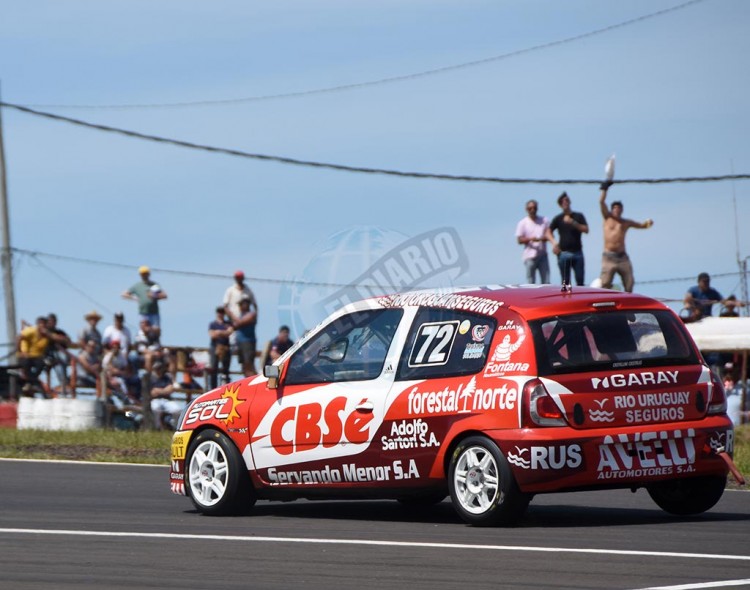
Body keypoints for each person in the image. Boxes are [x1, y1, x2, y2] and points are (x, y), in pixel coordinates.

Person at [598, 181, 653, 292]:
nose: (617, 210)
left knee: (629, 282)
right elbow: (601, 201)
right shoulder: (607, 218)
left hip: (622, 257)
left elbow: (640, 225)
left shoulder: (625, 222)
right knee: (605, 283)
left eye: (619, 208)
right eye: (615, 208)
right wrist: (604, 189)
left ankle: (628, 299)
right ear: (612, 209)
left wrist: (647, 224)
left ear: (622, 210)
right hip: (608, 257)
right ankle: (606, 299)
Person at [547, 192, 589, 286]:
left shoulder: (578, 216)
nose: (565, 202)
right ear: (560, 205)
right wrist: (554, 243)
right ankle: (566, 296)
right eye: (562, 202)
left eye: (566, 200)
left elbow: (586, 229)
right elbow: (548, 232)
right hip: (564, 254)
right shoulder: (558, 218)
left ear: (569, 201)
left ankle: (580, 295)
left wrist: (573, 222)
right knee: (565, 282)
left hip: (577, 253)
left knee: (580, 281)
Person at [515, 199, 551, 284]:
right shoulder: (523, 223)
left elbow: (549, 235)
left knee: (546, 281)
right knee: (531, 282)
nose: (532, 210)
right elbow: (519, 239)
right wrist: (531, 239)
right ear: (526, 209)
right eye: (530, 208)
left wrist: (541, 239)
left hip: (542, 255)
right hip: (529, 256)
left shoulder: (544, 220)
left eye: (534, 208)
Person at [16, 316, 51, 395]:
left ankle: (31, 382)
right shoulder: (31, 331)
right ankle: (32, 382)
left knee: (41, 364)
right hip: (26, 354)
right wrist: (19, 351)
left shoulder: (47, 335)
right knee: (26, 363)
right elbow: (19, 337)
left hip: (37, 356)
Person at [227, 294, 258, 376]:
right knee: (244, 366)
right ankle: (248, 381)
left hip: (248, 342)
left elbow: (240, 323)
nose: (240, 306)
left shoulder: (251, 314)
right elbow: (236, 325)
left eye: (241, 304)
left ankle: (254, 381)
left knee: (249, 365)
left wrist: (230, 314)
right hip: (240, 343)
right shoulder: (241, 315)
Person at [149, 361, 183, 430]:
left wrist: (158, 391)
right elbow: (152, 393)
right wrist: (164, 390)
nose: (158, 370)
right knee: (155, 408)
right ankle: (157, 427)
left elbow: (170, 389)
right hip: (155, 400)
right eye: (157, 368)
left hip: (167, 400)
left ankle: (175, 427)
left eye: (160, 368)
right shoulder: (150, 378)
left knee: (177, 410)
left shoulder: (167, 377)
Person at [45, 313, 73, 395]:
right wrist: (56, 338)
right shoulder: (44, 332)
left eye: (53, 321)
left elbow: (68, 340)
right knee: (60, 359)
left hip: (59, 355)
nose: (51, 323)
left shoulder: (59, 332)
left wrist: (58, 339)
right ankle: (63, 384)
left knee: (62, 360)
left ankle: (64, 383)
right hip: (48, 355)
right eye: (50, 321)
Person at [208, 306, 233, 389]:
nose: (220, 314)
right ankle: (213, 388)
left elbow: (229, 332)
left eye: (222, 312)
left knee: (226, 369)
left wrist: (218, 332)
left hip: (225, 347)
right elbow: (212, 335)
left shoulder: (228, 323)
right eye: (219, 312)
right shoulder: (212, 324)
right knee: (213, 368)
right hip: (215, 347)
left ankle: (226, 387)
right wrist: (224, 333)